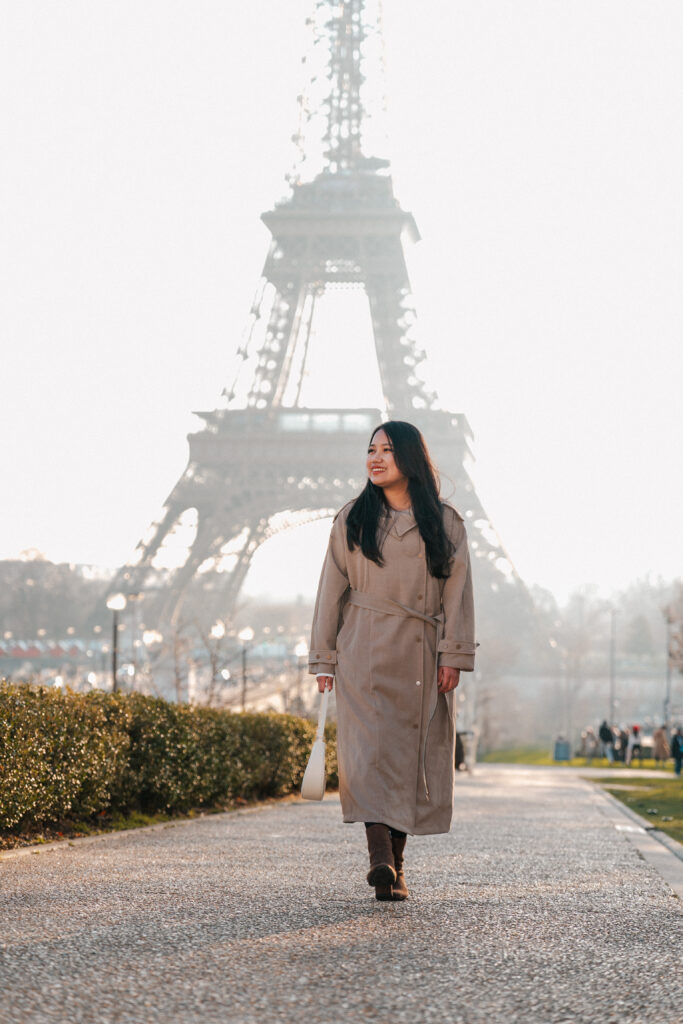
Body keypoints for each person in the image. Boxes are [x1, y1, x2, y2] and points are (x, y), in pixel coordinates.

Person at [309, 420, 477, 901]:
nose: (375, 458)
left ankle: (395, 869)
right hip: (361, 647)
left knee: (407, 759)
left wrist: (453, 656)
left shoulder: (446, 524)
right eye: (370, 450)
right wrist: (324, 659)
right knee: (366, 757)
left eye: (386, 450)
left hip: (420, 653)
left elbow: (458, 596)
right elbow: (329, 591)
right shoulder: (352, 518)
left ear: (411, 457)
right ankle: (379, 855)